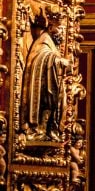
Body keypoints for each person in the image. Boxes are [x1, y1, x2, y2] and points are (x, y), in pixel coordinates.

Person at [22, 9, 69, 141]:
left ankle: (50, 128)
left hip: (53, 78)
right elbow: (40, 58)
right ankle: (39, 128)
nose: (61, 30)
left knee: (54, 103)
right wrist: (58, 61)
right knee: (47, 102)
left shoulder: (52, 41)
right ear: (51, 26)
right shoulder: (44, 39)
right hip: (43, 81)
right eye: (59, 27)